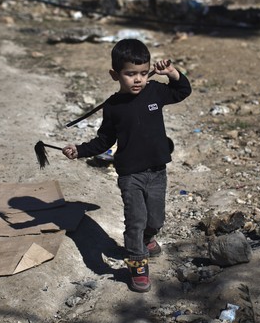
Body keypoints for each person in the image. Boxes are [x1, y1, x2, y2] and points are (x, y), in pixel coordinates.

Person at [63, 38, 191, 292]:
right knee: (136, 221)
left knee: (155, 220)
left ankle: (146, 238)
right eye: (130, 74)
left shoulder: (154, 91)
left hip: (157, 172)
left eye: (143, 73)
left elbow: (182, 91)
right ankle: (137, 264)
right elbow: (104, 140)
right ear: (115, 74)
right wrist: (79, 150)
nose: (138, 80)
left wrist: (173, 73)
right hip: (130, 175)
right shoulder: (113, 107)